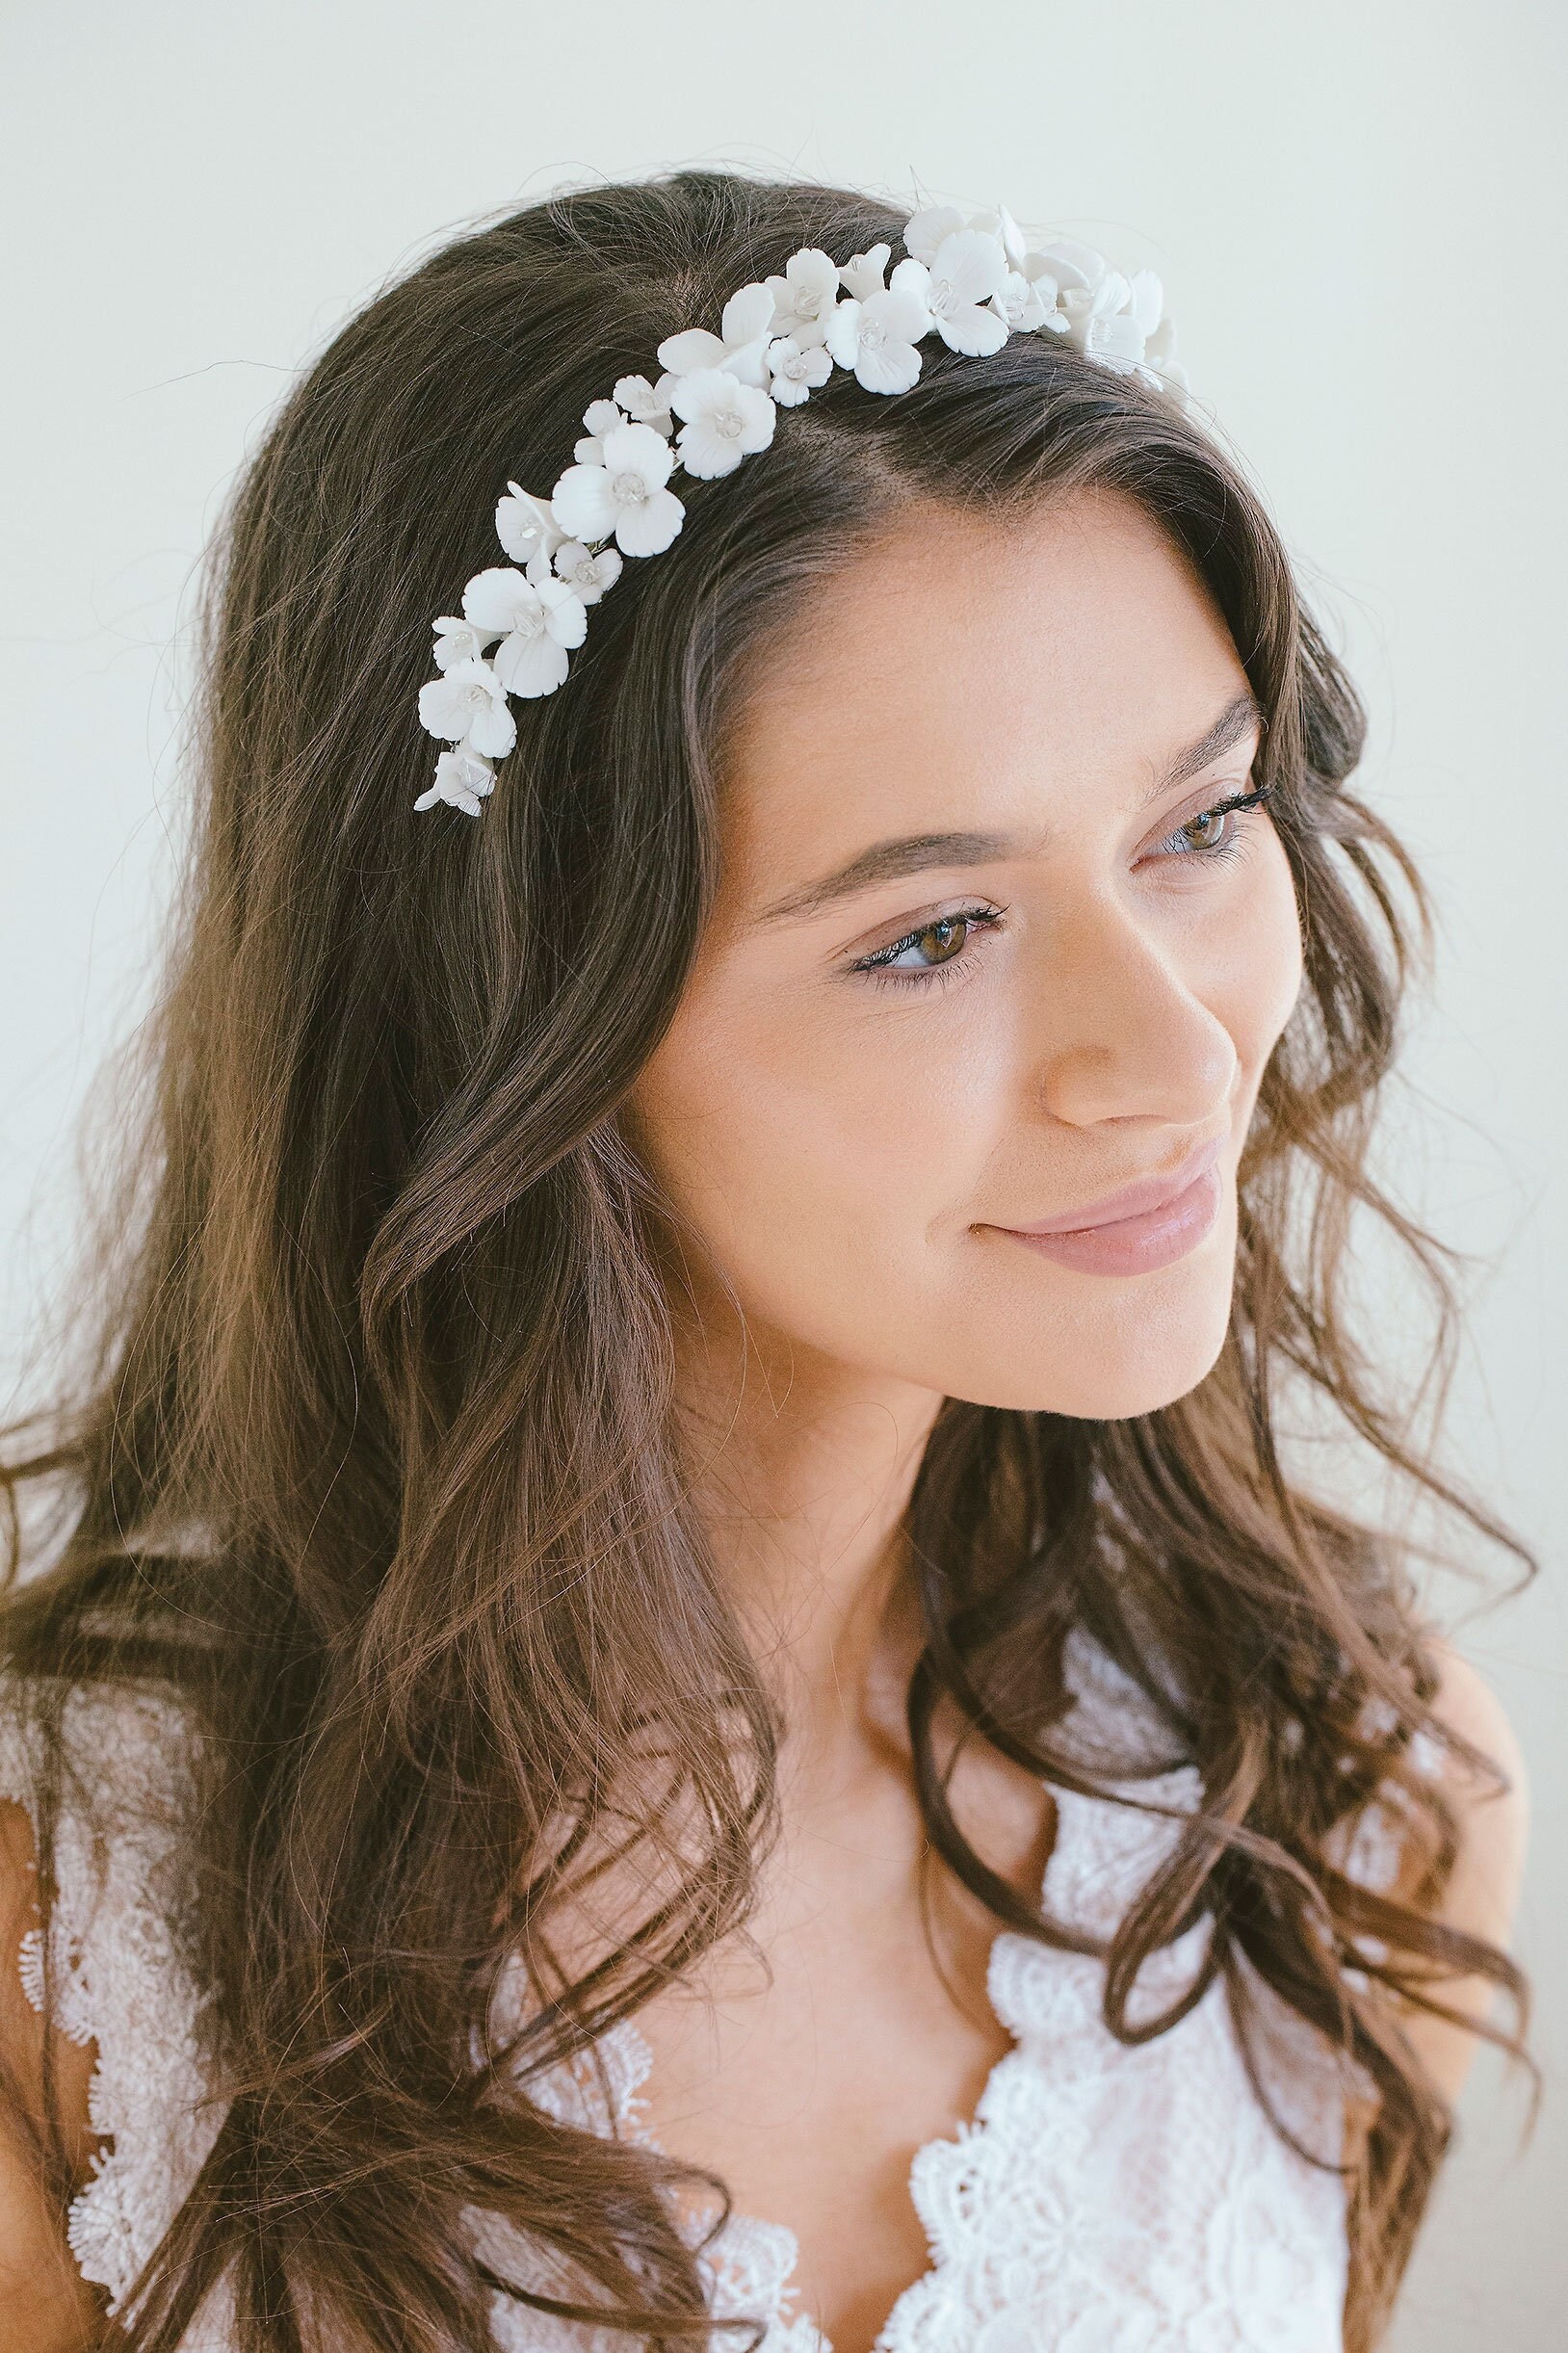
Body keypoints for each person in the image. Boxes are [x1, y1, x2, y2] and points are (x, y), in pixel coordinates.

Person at [0, 170, 1530, 2353]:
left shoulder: (1345, 1810)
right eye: (928, 933)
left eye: (1197, 825)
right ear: (513, 1019)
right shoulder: (59, 1939)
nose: (1174, 1050)